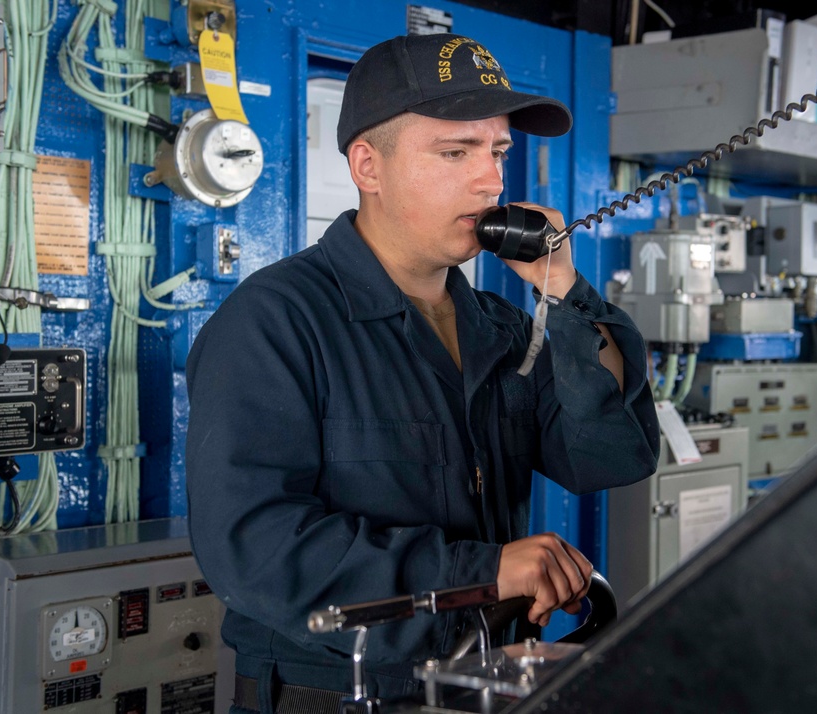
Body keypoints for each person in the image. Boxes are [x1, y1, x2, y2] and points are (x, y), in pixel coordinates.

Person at [185, 31, 659, 714]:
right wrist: (484, 572)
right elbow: (255, 549)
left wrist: (567, 294)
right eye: (454, 151)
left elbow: (609, 454)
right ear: (367, 166)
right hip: (334, 693)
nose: (491, 180)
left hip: (481, 681)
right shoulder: (275, 323)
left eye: (497, 151)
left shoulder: (498, 327)